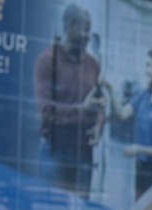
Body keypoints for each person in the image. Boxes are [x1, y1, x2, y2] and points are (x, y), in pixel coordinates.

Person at [34, 4, 105, 198]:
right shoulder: (47, 61)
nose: (88, 36)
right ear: (69, 26)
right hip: (55, 153)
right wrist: (82, 109)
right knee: (53, 209)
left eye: (89, 30)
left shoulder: (93, 65)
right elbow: (46, 111)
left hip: (84, 155)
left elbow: (99, 103)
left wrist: (98, 125)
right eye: (85, 30)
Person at [104, 49, 152, 199]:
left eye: (149, 66)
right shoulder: (143, 95)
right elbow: (123, 113)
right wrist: (111, 91)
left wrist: (138, 149)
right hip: (140, 169)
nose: (145, 71)